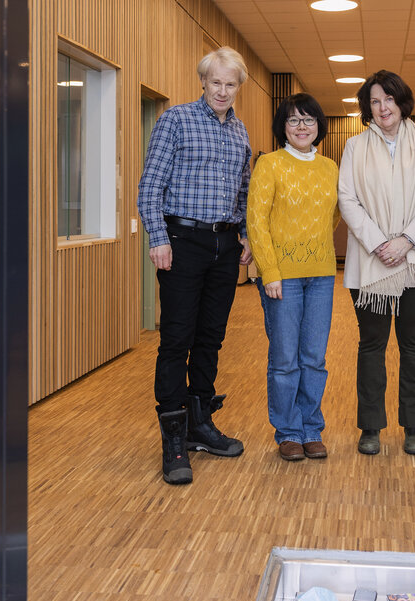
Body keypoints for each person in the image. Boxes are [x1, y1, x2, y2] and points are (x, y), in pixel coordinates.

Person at [137, 47, 254, 486]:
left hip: (225, 245)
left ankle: (199, 424)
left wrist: (245, 234)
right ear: (203, 81)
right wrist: (158, 238)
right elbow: (150, 186)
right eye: (216, 82)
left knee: (211, 339)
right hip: (182, 242)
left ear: (238, 87)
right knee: (177, 339)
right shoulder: (176, 120)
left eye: (230, 84)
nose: (222, 91)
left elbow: (243, 190)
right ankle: (173, 438)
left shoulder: (240, 131)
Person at [338, 70, 415, 457]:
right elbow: (347, 199)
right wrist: (380, 243)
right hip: (372, 262)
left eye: (389, 99)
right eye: (375, 101)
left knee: (413, 344)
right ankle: (370, 426)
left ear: (402, 102)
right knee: (372, 345)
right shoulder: (354, 147)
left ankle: (414, 426)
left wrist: (406, 240)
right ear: (367, 108)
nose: (383, 107)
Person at [247, 93, 338, 461]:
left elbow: (333, 216)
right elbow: (256, 221)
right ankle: (288, 431)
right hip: (281, 277)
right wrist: (269, 270)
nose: (302, 127)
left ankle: (311, 429)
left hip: (322, 275)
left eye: (309, 119)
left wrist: (315, 246)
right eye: (294, 120)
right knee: (285, 359)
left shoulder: (330, 167)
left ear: (319, 125)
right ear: (282, 126)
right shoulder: (269, 164)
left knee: (314, 358)